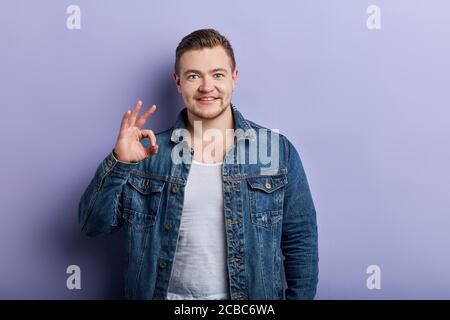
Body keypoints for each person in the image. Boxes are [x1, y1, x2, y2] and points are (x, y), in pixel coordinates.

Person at [78, 28, 318, 300]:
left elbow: (301, 243)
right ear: (178, 82)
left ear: (234, 78)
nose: (207, 87)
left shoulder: (277, 151)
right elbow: (91, 225)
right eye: (194, 76)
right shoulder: (147, 155)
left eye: (217, 74)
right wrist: (119, 163)